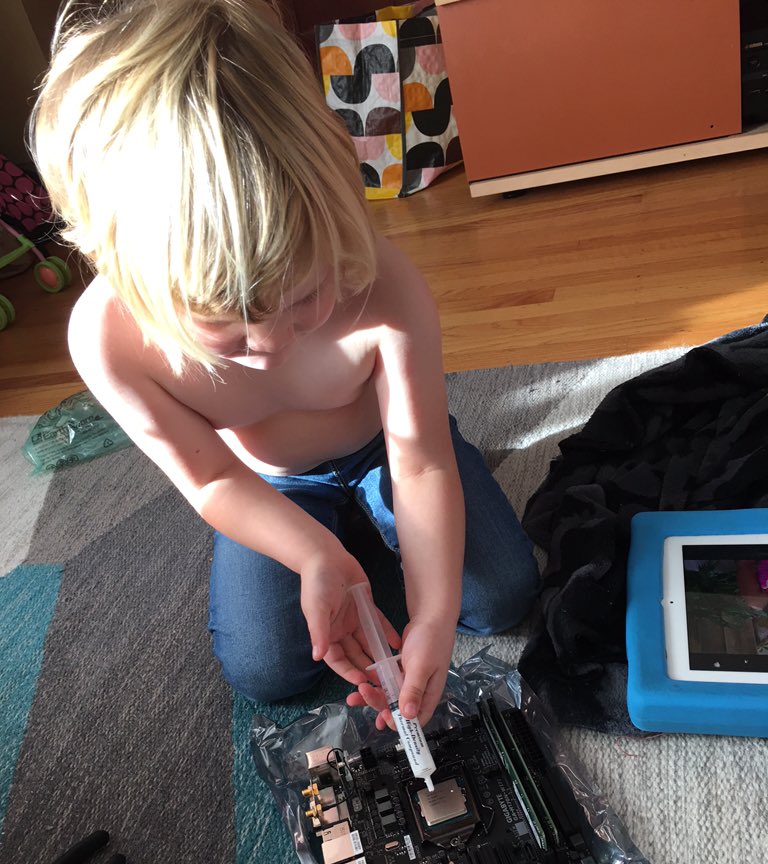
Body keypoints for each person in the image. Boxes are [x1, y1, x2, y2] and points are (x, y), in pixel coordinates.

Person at [31, 0, 539, 728]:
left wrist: (431, 617)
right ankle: (345, 541)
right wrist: (310, 553)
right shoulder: (109, 339)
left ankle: (380, 533)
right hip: (268, 484)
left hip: (392, 452)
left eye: (304, 301)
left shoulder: (384, 288)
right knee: (266, 667)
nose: (271, 344)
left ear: (338, 218)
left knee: (501, 596)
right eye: (228, 331)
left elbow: (420, 461)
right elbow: (212, 478)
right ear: (132, 279)